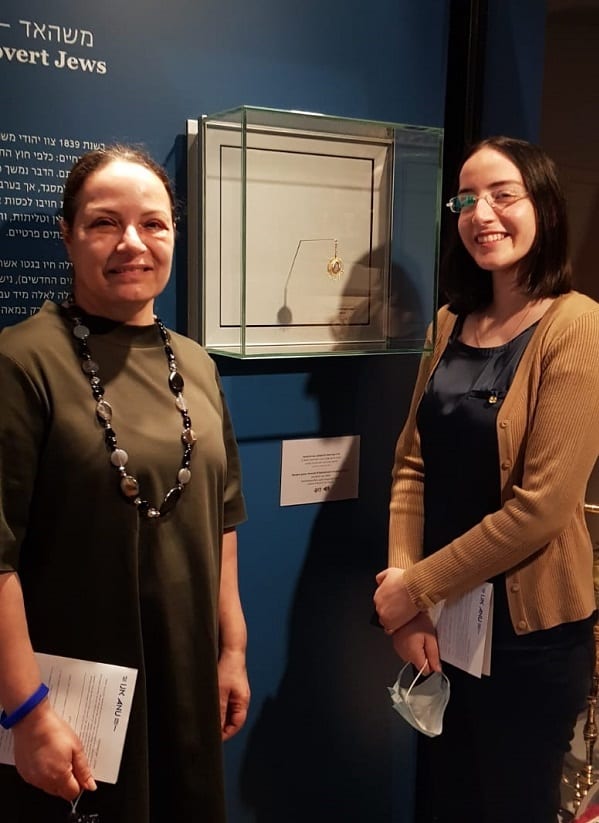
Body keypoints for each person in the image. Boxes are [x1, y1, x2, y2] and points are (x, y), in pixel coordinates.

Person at [0, 145, 250, 822]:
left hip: (185, 679)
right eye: (104, 223)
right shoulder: (22, 361)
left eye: (154, 224)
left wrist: (231, 650)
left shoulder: (194, 363)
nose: (132, 243)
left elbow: (222, 518)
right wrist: (26, 712)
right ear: (68, 233)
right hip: (73, 700)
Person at [374, 136, 599, 822]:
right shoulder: (450, 322)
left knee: (512, 804)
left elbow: (540, 506)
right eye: (466, 199)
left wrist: (415, 586)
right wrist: (409, 595)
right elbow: (411, 462)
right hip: (442, 621)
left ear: (544, 207)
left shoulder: (576, 324)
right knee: (448, 799)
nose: (481, 213)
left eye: (503, 194)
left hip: (528, 635)